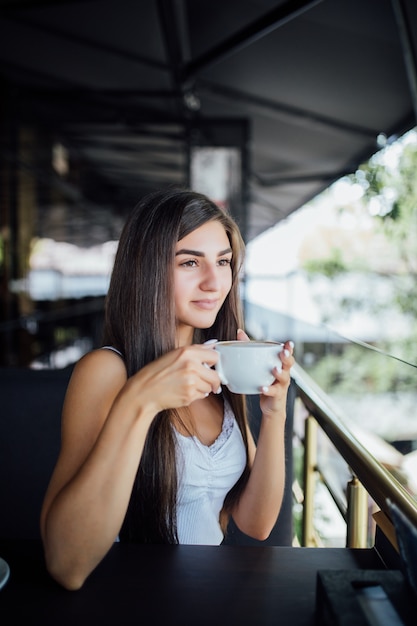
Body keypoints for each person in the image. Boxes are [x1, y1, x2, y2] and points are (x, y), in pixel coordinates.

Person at [40, 188, 295, 591]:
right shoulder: (107, 370)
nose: (214, 281)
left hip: (210, 599)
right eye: (190, 262)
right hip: (136, 601)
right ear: (147, 268)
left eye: (223, 261)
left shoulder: (219, 363)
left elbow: (256, 523)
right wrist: (140, 400)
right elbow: (65, 565)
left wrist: (275, 412)